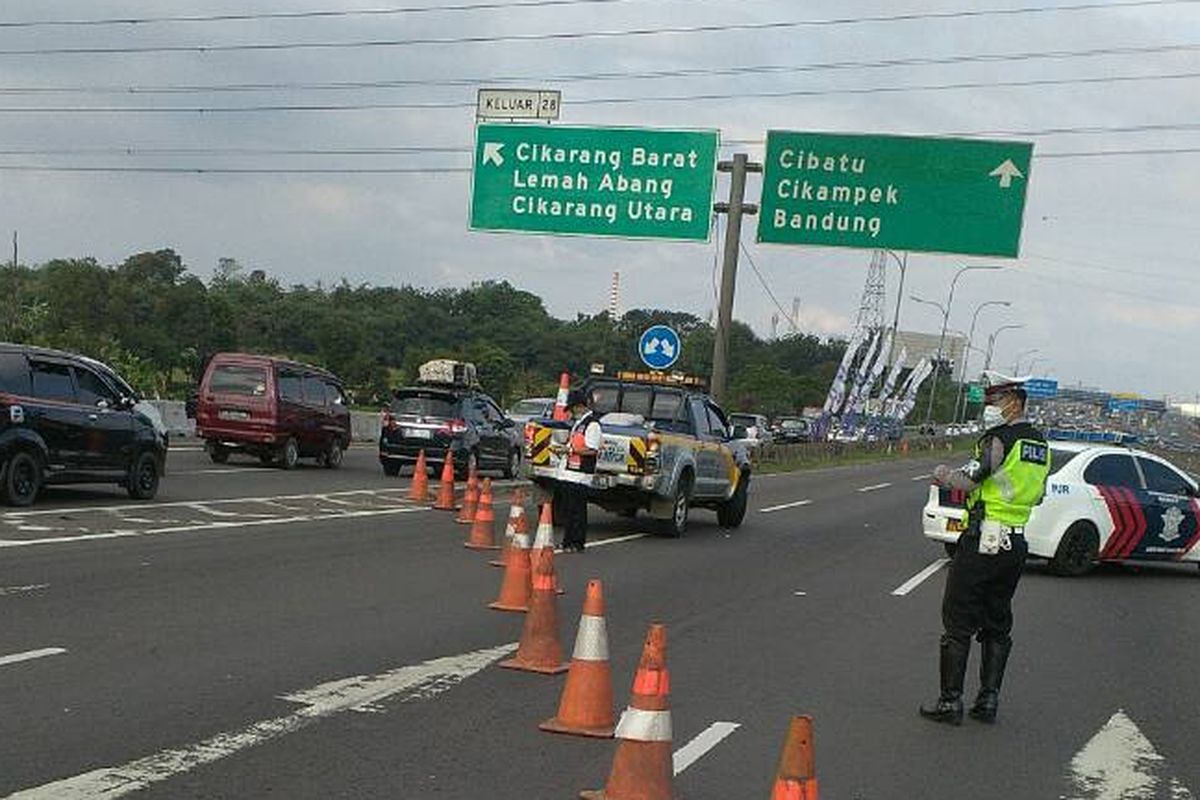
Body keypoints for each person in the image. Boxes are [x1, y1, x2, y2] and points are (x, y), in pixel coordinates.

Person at [919, 371, 1051, 725]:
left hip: (983, 539)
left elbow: (969, 479)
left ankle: (950, 703)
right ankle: (988, 701)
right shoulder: (1040, 445)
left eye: (997, 401)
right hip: (1015, 543)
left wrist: (942, 472)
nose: (991, 407)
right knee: (997, 620)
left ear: (1016, 402)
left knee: (958, 619)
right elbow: (1038, 495)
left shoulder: (997, 439)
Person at [558, 388, 602, 552]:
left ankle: (577, 543)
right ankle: (567, 541)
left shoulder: (592, 425)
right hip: (569, 472)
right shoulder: (579, 424)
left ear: (579, 406)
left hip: (581, 475)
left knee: (577, 511)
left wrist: (570, 451)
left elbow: (592, 450)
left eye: (572, 408)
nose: (571, 412)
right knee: (568, 511)